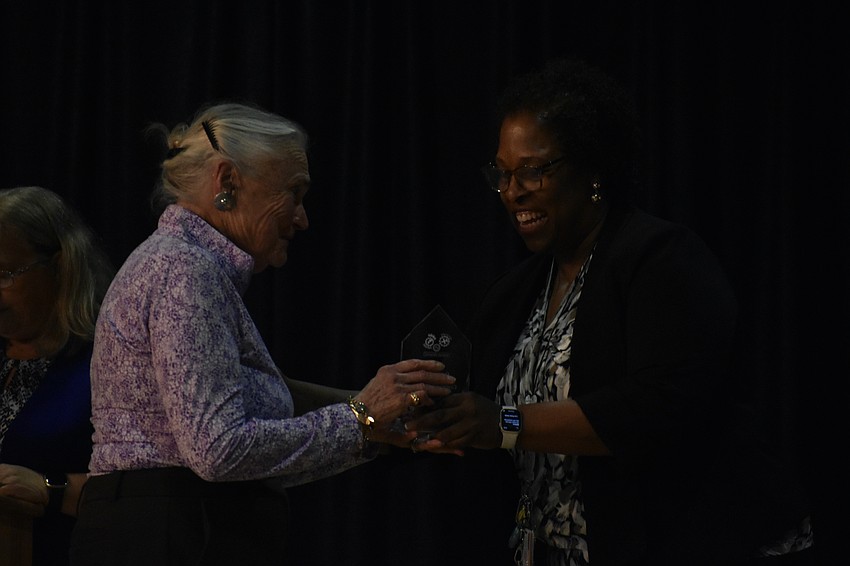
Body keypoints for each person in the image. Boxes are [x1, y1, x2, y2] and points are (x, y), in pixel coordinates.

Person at [409, 58, 814, 565]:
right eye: (504, 174)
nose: (513, 192)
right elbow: (484, 408)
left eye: (533, 170)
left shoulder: (662, 260)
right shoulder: (517, 291)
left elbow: (655, 408)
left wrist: (504, 423)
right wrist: (424, 416)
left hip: (674, 540)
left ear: (593, 168)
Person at [68, 102, 455, 566]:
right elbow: (218, 450)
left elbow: (253, 403)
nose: (302, 218)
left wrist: (373, 418)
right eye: (293, 193)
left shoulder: (184, 265)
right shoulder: (184, 272)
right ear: (228, 183)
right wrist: (360, 417)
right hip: (168, 539)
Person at [0, 185, 114, 566]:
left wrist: (50, 488)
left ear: (61, 265)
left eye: (4, 274)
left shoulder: (108, 363)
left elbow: (142, 495)